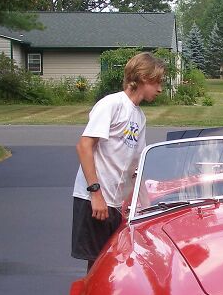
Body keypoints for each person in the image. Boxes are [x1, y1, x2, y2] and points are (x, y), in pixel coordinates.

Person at [71, 52, 165, 270]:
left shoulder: (139, 117)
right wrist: (96, 194)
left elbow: (135, 167)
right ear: (143, 78)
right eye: (157, 82)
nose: (160, 89)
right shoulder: (111, 104)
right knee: (97, 266)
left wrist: (144, 207)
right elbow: (84, 146)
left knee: (112, 264)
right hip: (93, 198)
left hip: (114, 203)